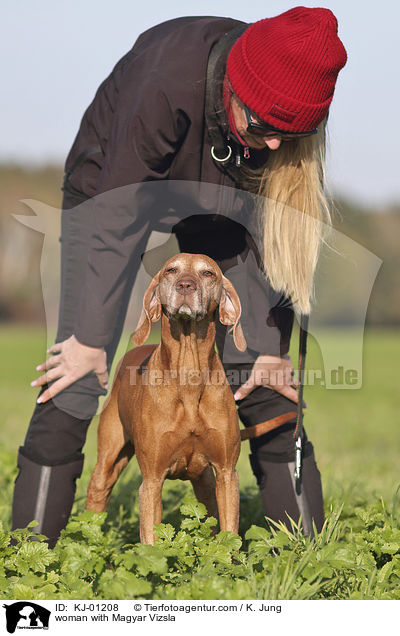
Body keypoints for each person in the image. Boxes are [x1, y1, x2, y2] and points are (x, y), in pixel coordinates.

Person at [12, 7, 347, 547]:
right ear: (235, 91)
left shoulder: (277, 130)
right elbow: (117, 217)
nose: (277, 147)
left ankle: (308, 559)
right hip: (111, 190)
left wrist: (266, 347)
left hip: (220, 211)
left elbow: (272, 240)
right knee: (74, 374)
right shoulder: (166, 81)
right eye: (264, 127)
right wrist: (93, 339)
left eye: (294, 133)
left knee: (268, 385)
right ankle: (28, 568)